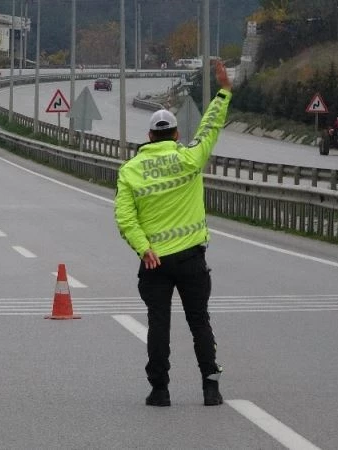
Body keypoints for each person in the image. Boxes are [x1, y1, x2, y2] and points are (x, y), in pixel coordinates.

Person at [114, 60, 232, 407]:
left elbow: (125, 217)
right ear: (177, 134)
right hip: (192, 258)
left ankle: (160, 390)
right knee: (199, 322)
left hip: (155, 263)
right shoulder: (190, 159)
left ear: (150, 136)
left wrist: (143, 248)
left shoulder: (130, 170)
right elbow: (210, 127)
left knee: (158, 325)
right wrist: (224, 92)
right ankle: (211, 388)